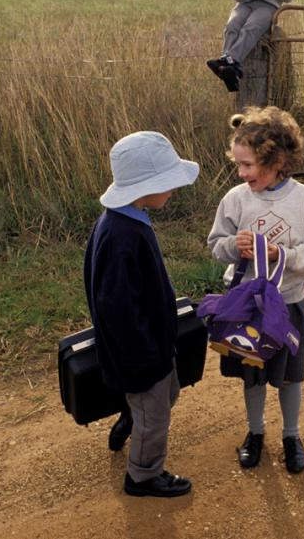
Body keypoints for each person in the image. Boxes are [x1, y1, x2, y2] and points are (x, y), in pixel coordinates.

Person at [207, 106, 304, 473]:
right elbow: (216, 244)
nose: (241, 173)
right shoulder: (235, 199)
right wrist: (234, 246)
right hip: (246, 307)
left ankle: (291, 435)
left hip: (289, 303)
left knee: (291, 375)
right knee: (252, 372)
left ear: (277, 160)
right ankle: (255, 432)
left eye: (248, 165)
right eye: (239, 165)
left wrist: (284, 254)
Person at [84, 131, 200, 498]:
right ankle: (143, 475)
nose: (173, 190)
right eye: (168, 183)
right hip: (141, 350)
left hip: (151, 342)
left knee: (166, 395)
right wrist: (145, 356)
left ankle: (133, 418)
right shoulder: (120, 235)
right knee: (156, 409)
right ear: (145, 187)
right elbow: (116, 306)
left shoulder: (129, 218)